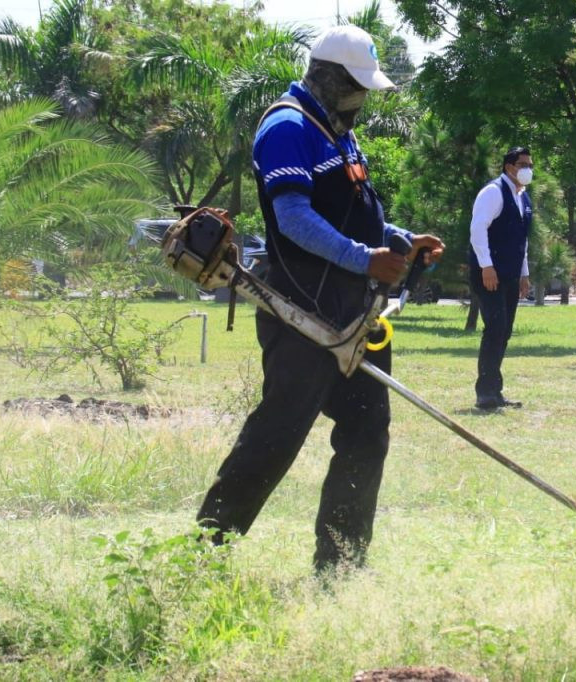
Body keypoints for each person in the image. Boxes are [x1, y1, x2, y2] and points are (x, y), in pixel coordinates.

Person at [195, 25, 444, 575]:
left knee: (365, 434)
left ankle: (341, 564)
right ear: (328, 79)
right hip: (302, 311)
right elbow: (294, 218)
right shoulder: (288, 128)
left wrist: (400, 241)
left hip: (353, 312)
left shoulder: (337, 132)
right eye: (356, 88)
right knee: (277, 436)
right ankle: (203, 557)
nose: (362, 100)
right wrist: (364, 258)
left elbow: (352, 215)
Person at [468, 146, 533, 411]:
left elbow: (522, 239)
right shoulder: (493, 192)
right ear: (509, 167)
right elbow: (477, 229)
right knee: (495, 327)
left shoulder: (524, 197)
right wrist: (486, 266)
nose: (527, 169)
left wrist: (524, 272)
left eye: (530, 164)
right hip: (489, 274)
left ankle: (495, 390)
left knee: (504, 331)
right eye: (522, 164)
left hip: (510, 273)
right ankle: (485, 392)